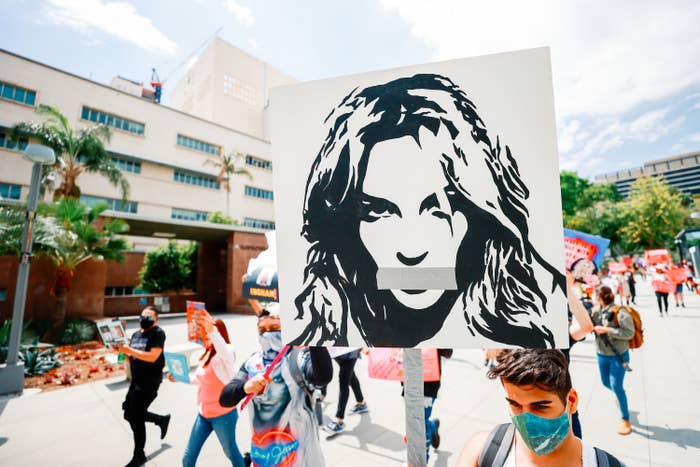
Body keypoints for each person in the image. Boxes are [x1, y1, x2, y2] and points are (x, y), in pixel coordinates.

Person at [292, 74, 566, 349]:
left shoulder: (539, 301)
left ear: (479, 208)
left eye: (438, 208)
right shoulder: (327, 316)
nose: (411, 251)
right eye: (378, 210)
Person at [456, 349, 623, 466]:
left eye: (540, 406)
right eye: (515, 405)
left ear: (571, 401)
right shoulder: (482, 450)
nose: (527, 420)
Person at [220, 308, 333, 467]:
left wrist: (315, 339)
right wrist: (245, 387)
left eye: (274, 328)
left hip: (301, 458)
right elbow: (225, 398)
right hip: (263, 457)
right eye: (262, 329)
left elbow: (323, 377)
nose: (267, 335)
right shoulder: (252, 362)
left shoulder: (298, 357)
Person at [170, 312, 245, 467]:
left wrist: (212, 330)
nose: (206, 333)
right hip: (204, 414)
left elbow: (224, 351)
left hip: (223, 416)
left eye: (209, 330)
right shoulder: (206, 354)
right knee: (187, 459)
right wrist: (179, 377)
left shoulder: (227, 352)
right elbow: (199, 379)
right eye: (205, 331)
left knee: (231, 453)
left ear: (218, 332)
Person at [117, 306, 171, 467]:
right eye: (143, 315)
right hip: (136, 381)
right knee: (128, 413)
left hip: (149, 382)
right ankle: (160, 420)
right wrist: (122, 352)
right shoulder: (135, 334)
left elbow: (153, 356)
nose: (145, 318)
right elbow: (130, 357)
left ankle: (139, 455)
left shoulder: (157, 333)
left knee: (136, 417)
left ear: (156, 320)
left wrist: (130, 351)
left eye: (149, 316)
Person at [592, 286, 635, 436]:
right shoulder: (597, 310)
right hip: (602, 354)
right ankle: (619, 394)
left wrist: (607, 330)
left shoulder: (620, 311)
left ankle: (625, 419)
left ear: (600, 297)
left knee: (616, 385)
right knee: (605, 382)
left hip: (618, 355)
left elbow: (629, 333)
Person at [563, 272, 595, 439]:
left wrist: (567, 288)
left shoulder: (560, 336)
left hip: (564, 409)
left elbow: (586, 326)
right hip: (527, 411)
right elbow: (492, 352)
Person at [323, 348, 369, 435]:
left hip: (350, 351)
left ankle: (339, 420)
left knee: (344, 380)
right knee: (350, 376)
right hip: (337, 351)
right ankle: (361, 403)